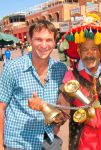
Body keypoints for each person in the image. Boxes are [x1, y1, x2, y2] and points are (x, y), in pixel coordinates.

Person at [29, 14, 101, 150]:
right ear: (79, 52)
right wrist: (44, 108)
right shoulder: (71, 77)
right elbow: (63, 111)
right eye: (85, 49)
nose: (89, 54)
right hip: (82, 140)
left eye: (94, 49)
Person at [0, 19, 67, 150]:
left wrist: (58, 122)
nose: (44, 45)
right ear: (29, 40)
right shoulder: (13, 68)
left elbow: (63, 108)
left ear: (55, 42)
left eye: (48, 40)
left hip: (50, 142)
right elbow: (1, 107)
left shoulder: (60, 69)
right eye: (38, 39)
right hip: (18, 143)